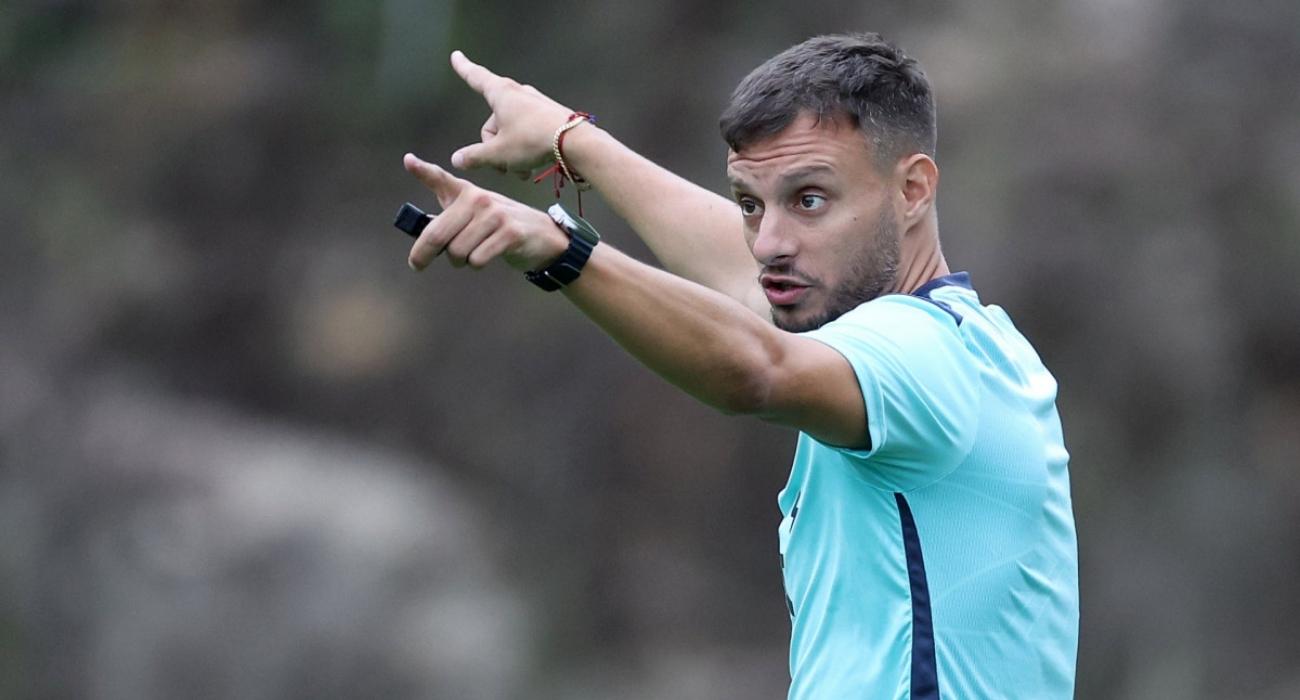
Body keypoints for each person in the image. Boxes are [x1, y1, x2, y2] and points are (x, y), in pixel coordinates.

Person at [399, 32, 1079, 699]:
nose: (769, 243)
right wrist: (571, 139)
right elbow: (749, 277)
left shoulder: (922, 353)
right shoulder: (970, 340)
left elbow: (757, 368)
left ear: (912, 191)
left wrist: (558, 249)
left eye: (809, 198)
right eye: (752, 204)